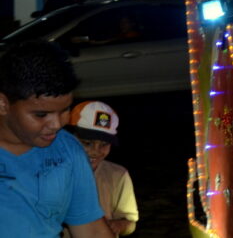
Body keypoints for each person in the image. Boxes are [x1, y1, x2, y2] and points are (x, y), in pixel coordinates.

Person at [0, 40, 113, 238]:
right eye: (41, 115)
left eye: (64, 110)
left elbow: (91, 229)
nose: (57, 124)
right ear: (3, 104)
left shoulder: (68, 149)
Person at [63, 101, 138, 237]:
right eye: (87, 143)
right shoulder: (52, 171)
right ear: (69, 137)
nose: (95, 151)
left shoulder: (117, 174)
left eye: (104, 144)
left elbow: (130, 222)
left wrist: (118, 225)